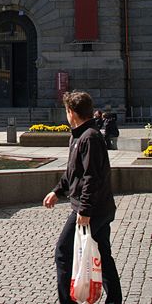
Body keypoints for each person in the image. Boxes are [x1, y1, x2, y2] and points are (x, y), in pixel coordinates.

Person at [43, 91, 122, 304]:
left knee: (63, 252)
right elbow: (72, 173)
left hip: (92, 210)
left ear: (72, 112)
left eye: (67, 111)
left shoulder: (91, 138)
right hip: (100, 208)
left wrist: (84, 211)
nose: (66, 115)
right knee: (103, 255)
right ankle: (115, 300)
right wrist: (57, 192)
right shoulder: (78, 135)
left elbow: (91, 178)